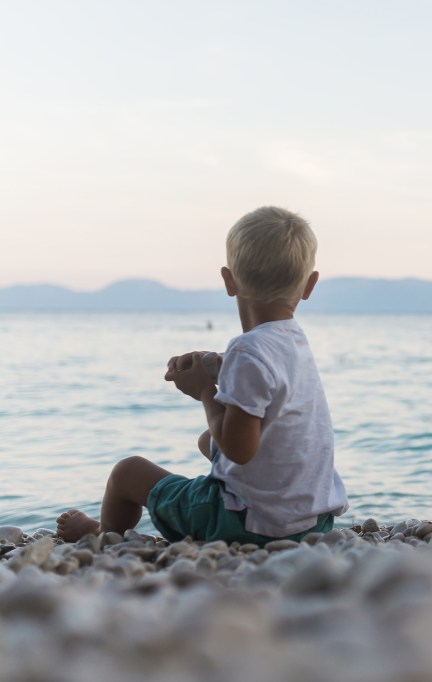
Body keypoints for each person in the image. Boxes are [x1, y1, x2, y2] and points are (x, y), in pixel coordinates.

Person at [57, 206, 348, 544]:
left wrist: (205, 391)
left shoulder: (247, 350)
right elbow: (271, 382)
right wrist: (216, 363)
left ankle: (105, 534)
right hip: (311, 518)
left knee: (128, 471)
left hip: (249, 524)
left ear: (229, 280)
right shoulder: (294, 341)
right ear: (310, 285)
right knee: (206, 441)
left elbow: (240, 450)